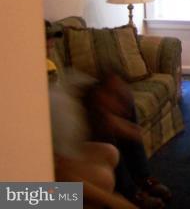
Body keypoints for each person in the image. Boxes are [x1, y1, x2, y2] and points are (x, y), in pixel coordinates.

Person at [46, 22, 171, 209]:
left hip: (64, 137)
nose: (51, 43)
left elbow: (66, 82)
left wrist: (110, 105)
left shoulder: (48, 66)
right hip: (19, 192)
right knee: (103, 178)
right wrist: (115, 202)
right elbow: (57, 170)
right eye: (46, 39)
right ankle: (129, 194)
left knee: (111, 151)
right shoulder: (58, 110)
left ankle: (142, 179)